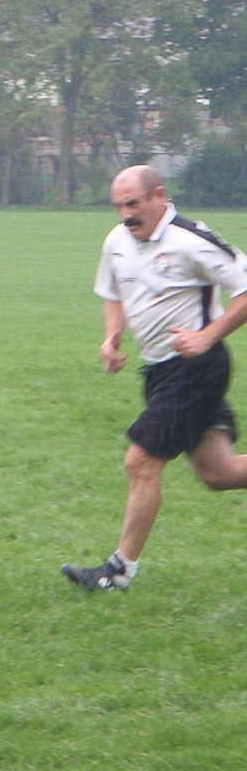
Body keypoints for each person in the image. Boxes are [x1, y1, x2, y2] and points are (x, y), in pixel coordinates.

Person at [64, 164, 247, 590]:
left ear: (159, 196)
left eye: (133, 204)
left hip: (197, 369)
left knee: (141, 461)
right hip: (159, 372)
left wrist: (208, 335)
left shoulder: (191, 240)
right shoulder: (117, 241)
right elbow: (114, 292)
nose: (125, 215)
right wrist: (112, 337)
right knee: (218, 473)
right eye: (118, 206)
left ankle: (117, 572)